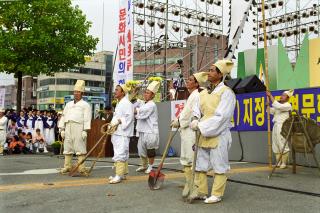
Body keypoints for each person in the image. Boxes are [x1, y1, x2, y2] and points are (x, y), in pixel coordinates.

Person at [190, 59, 236, 204]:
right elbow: (197, 108)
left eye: (211, 70)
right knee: (200, 162)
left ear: (220, 74)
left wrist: (201, 126)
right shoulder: (204, 93)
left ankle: (217, 193)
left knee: (219, 164)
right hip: (203, 131)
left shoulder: (226, 93)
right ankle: (201, 191)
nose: (208, 73)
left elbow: (222, 117)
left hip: (218, 133)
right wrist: (195, 118)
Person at [171, 72, 208, 198]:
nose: (188, 81)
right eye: (188, 78)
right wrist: (178, 120)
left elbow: (188, 114)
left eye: (191, 79)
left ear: (197, 83)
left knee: (193, 160)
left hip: (192, 132)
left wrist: (179, 121)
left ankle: (199, 189)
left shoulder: (196, 95)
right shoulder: (192, 95)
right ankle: (190, 184)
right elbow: (185, 113)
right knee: (187, 160)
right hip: (186, 131)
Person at [58, 80, 92, 176]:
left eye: (78, 92)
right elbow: (63, 116)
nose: (76, 94)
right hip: (68, 126)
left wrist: (85, 130)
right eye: (75, 92)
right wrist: (62, 129)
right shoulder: (68, 104)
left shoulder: (85, 105)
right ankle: (67, 166)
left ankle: (81, 168)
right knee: (67, 146)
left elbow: (87, 118)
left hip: (79, 127)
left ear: (82, 93)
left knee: (80, 147)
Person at [108, 84, 134, 184]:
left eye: (117, 90)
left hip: (122, 133)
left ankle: (118, 175)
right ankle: (122, 174)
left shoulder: (126, 103)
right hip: (117, 132)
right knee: (119, 152)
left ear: (123, 92)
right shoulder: (120, 103)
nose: (115, 91)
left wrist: (120, 121)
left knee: (120, 153)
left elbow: (129, 117)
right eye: (115, 89)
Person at [135, 81, 160, 174]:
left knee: (150, 150)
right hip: (142, 130)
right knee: (141, 150)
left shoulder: (151, 105)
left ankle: (150, 166)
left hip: (150, 131)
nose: (145, 94)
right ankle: (144, 165)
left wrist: (133, 110)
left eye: (148, 93)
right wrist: (135, 91)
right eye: (145, 92)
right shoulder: (143, 103)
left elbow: (140, 111)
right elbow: (136, 101)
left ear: (152, 95)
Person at [266, 90, 293, 169]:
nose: (281, 96)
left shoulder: (288, 105)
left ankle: (284, 163)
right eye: (281, 95)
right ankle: (278, 162)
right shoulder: (278, 105)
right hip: (276, 126)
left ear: (287, 98)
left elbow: (278, 106)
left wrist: (270, 96)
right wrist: (267, 106)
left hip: (282, 126)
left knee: (282, 143)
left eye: (284, 95)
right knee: (276, 144)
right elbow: (271, 111)